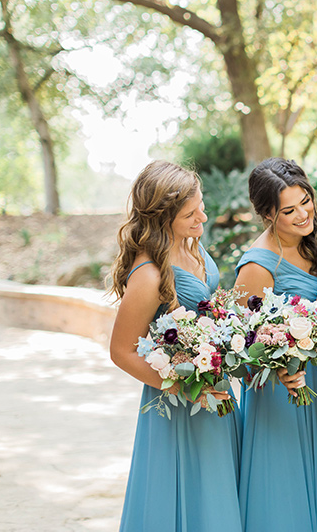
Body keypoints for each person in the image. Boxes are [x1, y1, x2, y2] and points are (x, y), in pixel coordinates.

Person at [109, 160, 242, 532]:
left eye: (200, 203)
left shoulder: (192, 244)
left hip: (216, 391)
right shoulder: (149, 274)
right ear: (162, 217)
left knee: (217, 497)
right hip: (180, 401)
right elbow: (121, 351)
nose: (202, 215)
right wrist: (185, 386)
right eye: (190, 212)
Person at [234, 158, 317, 532]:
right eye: (289, 211)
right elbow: (240, 350)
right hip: (283, 398)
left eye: (306, 201)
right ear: (266, 215)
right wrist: (276, 366)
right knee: (287, 503)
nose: (303, 215)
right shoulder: (257, 267)